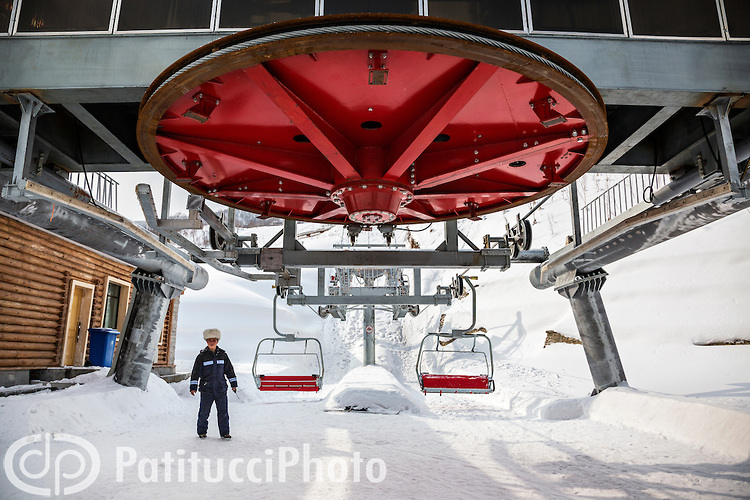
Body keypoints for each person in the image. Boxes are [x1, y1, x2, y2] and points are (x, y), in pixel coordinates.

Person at [190, 328, 237, 439]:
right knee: (204, 412)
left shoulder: (223, 355)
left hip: (220, 389)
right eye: (209, 340)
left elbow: (229, 370)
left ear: (217, 341)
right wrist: (193, 386)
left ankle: (225, 433)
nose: (211, 342)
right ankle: (202, 432)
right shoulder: (201, 356)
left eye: (214, 340)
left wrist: (233, 384)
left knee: (223, 412)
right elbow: (195, 372)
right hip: (207, 390)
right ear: (206, 341)